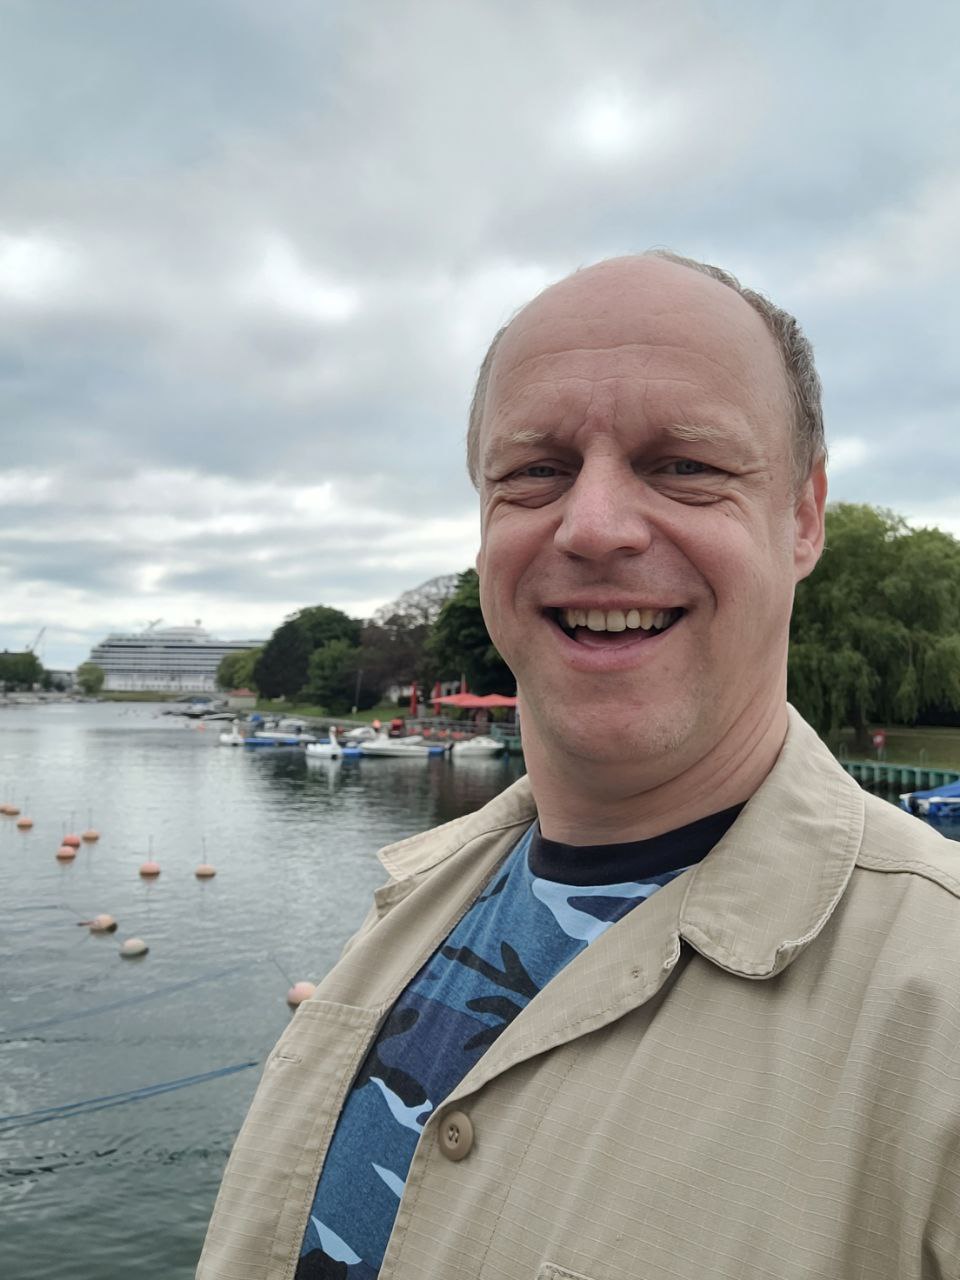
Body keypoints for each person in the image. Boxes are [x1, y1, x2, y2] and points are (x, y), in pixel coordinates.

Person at [197, 254, 960, 1280]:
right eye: (536, 471)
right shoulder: (408, 909)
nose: (594, 525)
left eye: (683, 464)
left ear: (803, 518)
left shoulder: (937, 1002)